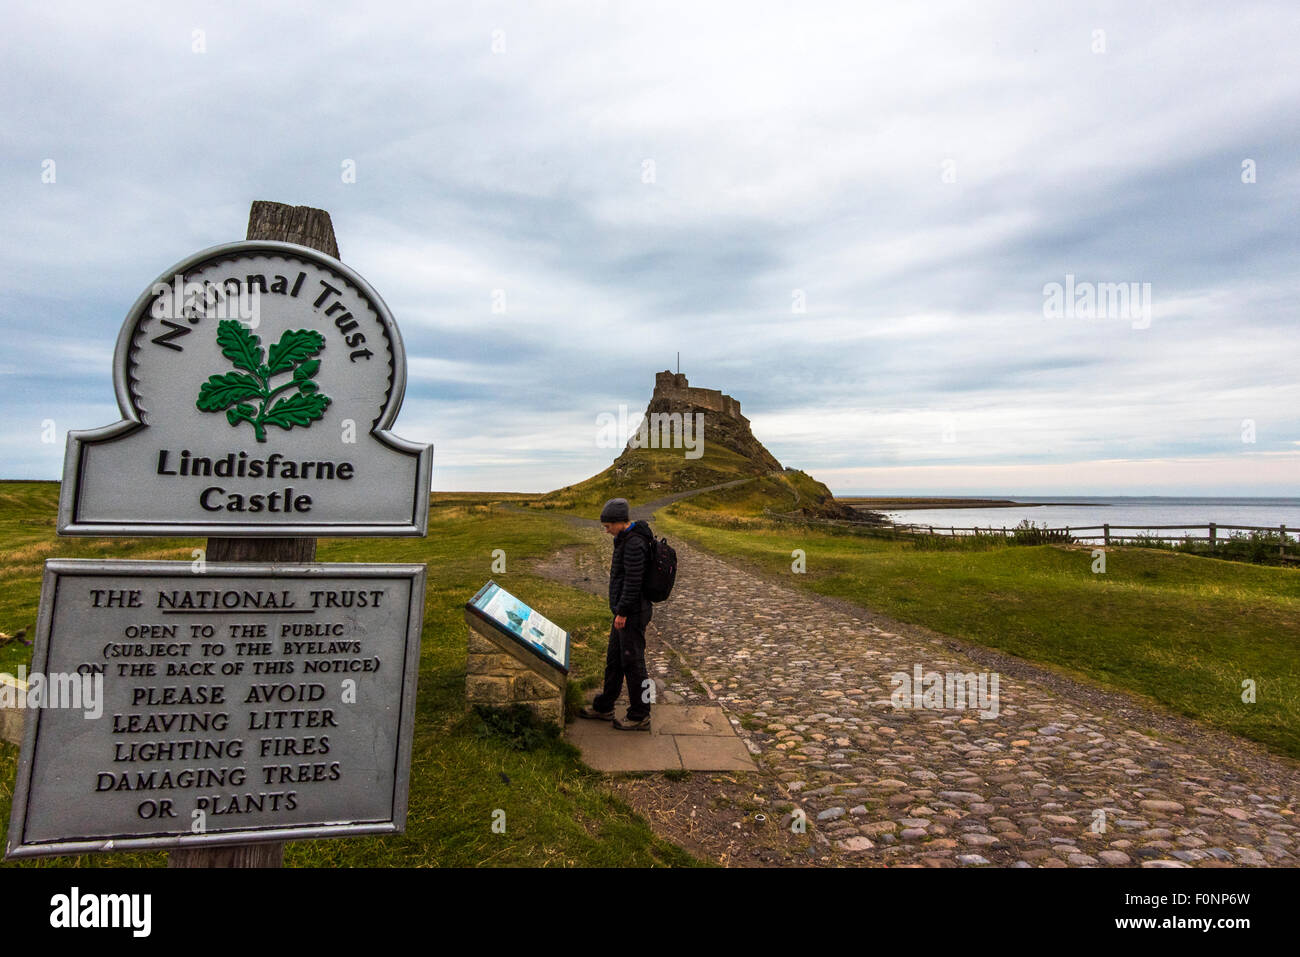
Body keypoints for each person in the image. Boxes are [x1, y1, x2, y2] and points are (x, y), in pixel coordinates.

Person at [579, 497, 655, 730]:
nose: (606, 530)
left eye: (608, 526)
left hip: (632, 613)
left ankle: (640, 714)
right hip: (623, 613)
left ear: (620, 522)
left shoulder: (633, 543)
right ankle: (604, 706)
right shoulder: (624, 539)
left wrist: (621, 612)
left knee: (634, 664)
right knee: (615, 660)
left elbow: (633, 582)